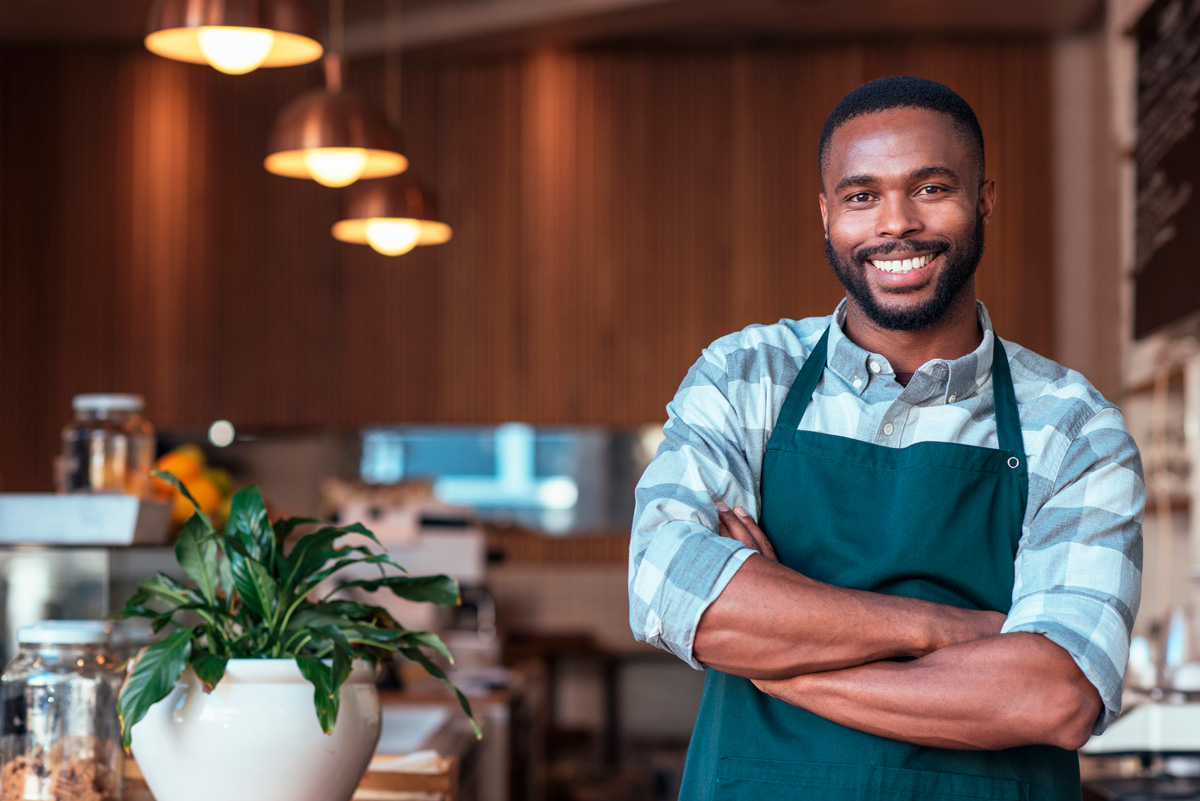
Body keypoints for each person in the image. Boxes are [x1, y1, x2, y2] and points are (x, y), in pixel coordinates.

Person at [628, 76, 1144, 800]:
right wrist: (948, 628)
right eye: (861, 195)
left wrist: (779, 660)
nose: (894, 224)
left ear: (985, 201)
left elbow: (1053, 695)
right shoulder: (746, 375)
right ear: (826, 214)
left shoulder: (1073, 424)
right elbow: (673, 593)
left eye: (931, 188)